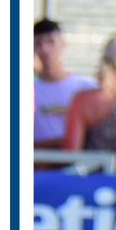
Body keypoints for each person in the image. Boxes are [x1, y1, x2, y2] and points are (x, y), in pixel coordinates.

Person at [33, 19, 96, 147]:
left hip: (76, 165)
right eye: (38, 43)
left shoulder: (86, 87)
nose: (45, 49)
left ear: (63, 45)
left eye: (51, 42)